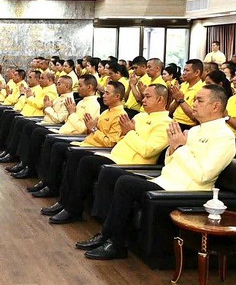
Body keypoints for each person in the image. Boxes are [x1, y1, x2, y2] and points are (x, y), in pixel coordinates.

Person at [78, 84, 235, 260]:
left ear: (215, 106)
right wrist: (173, 149)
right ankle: (107, 235)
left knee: (125, 184)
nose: (193, 103)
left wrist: (180, 148)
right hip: (165, 181)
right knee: (114, 175)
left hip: (185, 190)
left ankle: (115, 244)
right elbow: (170, 163)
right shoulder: (194, 130)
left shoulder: (224, 136)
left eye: (199, 100)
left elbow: (204, 175)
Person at [41, 84, 171, 223]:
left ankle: (73, 209)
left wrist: (130, 132)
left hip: (133, 163)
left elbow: (147, 151)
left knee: (87, 162)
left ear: (160, 99)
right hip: (114, 155)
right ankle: (65, 202)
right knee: (77, 156)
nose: (143, 100)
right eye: (143, 96)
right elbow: (121, 138)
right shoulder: (139, 116)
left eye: (147, 96)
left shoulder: (165, 123)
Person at [169, 59, 204, 131]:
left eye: (187, 70)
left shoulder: (202, 89)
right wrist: (177, 98)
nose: (184, 73)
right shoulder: (183, 85)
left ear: (197, 72)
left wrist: (181, 100)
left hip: (188, 126)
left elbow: (195, 117)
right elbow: (170, 111)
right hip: (175, 121)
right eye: (184, 70)